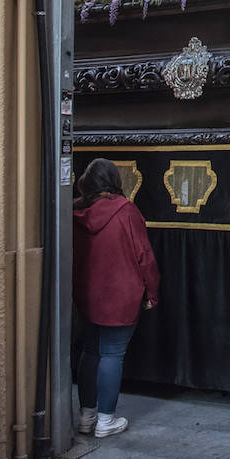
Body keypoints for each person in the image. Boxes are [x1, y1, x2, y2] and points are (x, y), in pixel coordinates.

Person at [72, 158, 160, 440]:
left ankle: (86, 416)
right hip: (121, 295)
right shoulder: (126, 211)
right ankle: (106, 420)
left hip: (86, 293)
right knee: (112, 354)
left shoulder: (75, 211)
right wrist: (151, 292)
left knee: (91, 352)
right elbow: (144, 256)